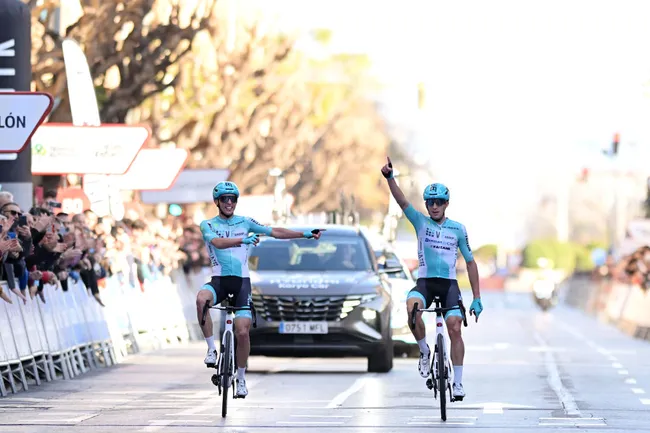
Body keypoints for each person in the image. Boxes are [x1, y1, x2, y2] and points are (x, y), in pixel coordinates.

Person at [196, 181, 324, 398]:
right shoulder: (207, 224)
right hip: (219, 281)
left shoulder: (246, 222)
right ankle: (211, 350)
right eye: (225, 199)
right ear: (217, 202)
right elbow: (217, 243)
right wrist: (242, 240)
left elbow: (275, 231)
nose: (229, 203)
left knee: (243, 331)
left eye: (233, 199)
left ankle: (242, 378)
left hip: (241, 283)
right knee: (201, 300)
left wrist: (305, 234)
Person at [380, 157, 483, 400]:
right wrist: (390, 178)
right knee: (412, 309)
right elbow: (402, 201)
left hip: (448, 285)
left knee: (455, 327)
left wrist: (477, 298)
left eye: (438, 202)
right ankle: (424, 351)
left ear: (446, 204)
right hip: (425, 283)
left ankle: (457, 383)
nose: (434, 206)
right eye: (430, 203)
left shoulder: (458, 229)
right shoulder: (420, 222)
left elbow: (470, 262)